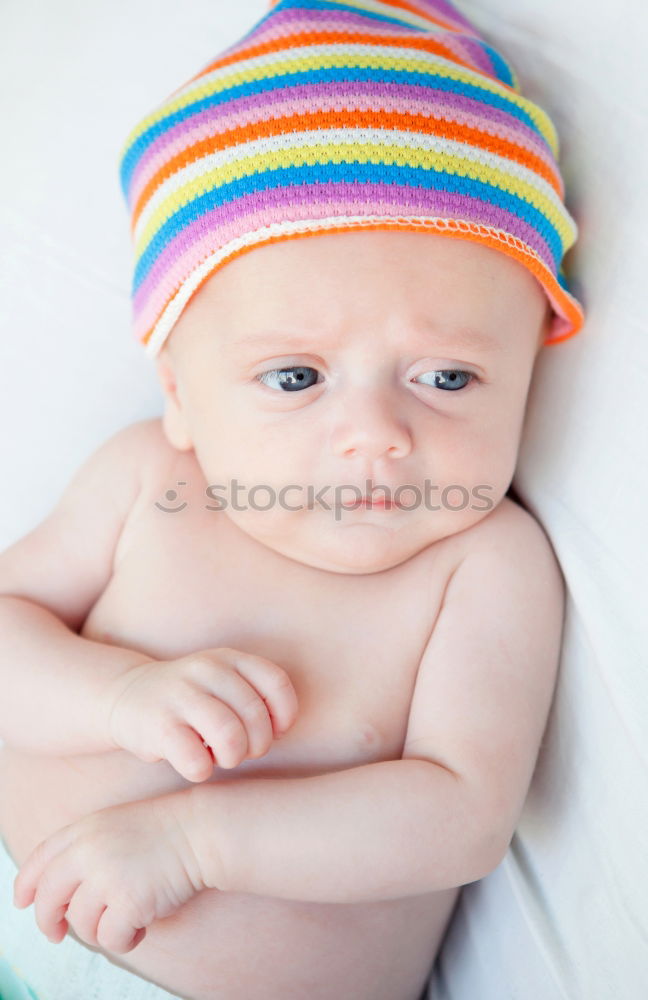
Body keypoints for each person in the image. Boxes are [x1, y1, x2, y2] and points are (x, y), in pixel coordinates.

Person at [0, 1, 584, 997]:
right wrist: (117, 696)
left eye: (447, 378)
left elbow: (462, 813)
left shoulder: (484, 563)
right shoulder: (150, 478)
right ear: (180, 392)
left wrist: (198, 841)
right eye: (294, 377)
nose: (375, 433)